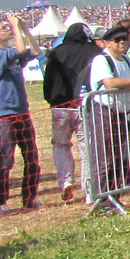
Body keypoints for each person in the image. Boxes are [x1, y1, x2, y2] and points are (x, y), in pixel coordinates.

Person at [0, 13, 40, 216]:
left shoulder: (9, 52)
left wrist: (24, 28)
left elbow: (34, 50)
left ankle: (30, 198)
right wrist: (15, 27)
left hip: (22, 111)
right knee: (6, 160)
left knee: (31, 157)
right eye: (3, 28)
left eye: (8, 27)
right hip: (4, 115)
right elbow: (22, 49)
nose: (7, 29)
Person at [85, 25, 130, 196]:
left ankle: (114, 195)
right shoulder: (102, 60)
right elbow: (110, 83)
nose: (122, 42)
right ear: (107, 43)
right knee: (104, 157)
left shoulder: (126, 60)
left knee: (117, 157)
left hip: (123, 112)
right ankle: (101, 197)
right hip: (105, 112)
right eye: (117, 40)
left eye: (124, 38)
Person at [43, 23, 99, 204]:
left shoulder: (57, 52)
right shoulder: (94, 52)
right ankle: (89, 188)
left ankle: (65, 180)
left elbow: (48, 80)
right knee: (87, 149)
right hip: (85, 105)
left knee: (61, 145)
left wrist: (51, 99)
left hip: (60, 106)